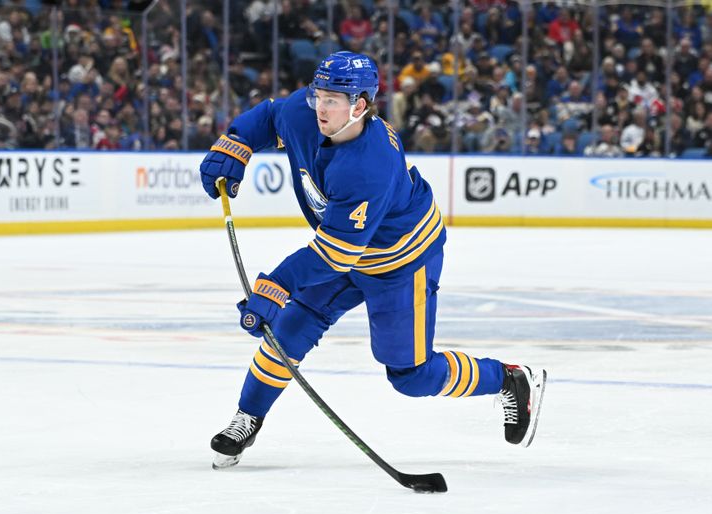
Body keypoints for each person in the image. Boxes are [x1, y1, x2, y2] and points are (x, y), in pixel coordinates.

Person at [198, 51, 546, 469]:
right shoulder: (303, 112)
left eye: (332, 100)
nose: (320, 108)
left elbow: (334, 254)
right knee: (287, 330)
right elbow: (271, 117)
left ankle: (509, 378)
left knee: (412, 376)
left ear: (359, 106)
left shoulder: (370, 164)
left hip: (401, 260)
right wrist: (236, 142)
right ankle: (248, 416)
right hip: (343, 250)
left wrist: (278, 283)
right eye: (318, 95)